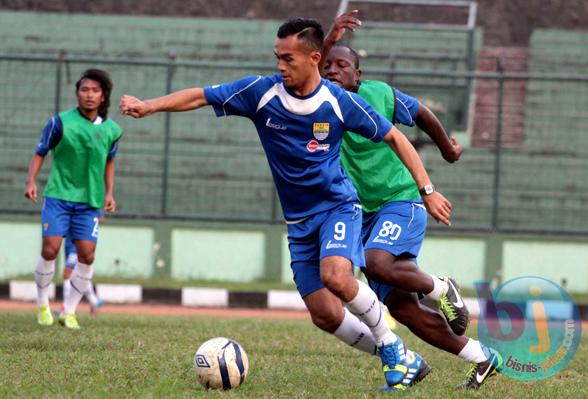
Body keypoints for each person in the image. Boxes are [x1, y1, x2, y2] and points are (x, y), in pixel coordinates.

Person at [120, 18, 453, 391]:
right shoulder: (260, 93)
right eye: (277, 57)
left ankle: (392, 351)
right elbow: (200, 95)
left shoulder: (337, 101)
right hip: (299, 223)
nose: (280, 66)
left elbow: (395, 136)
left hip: (339, 207)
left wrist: (427, 189)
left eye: (288, 59)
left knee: (336, 276)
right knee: (325, 315)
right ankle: (406, 359)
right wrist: (149, 106)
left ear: (313, 58)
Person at [319, 10, 502, 390]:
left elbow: (421, 113)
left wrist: (448, 149)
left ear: (358, 76)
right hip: (363, 214)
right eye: (328, 65)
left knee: (375, 262)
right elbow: (303, 71)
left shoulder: (379, 95)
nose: (334, 70)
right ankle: (481, 356)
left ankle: (440, 287)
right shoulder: (318, 105)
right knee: (402, 308)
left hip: (401, 201)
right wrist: (327, 40)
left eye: (343, 65)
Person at [25, 68, 122, 330]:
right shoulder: (59, 122)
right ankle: (43, 304)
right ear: (77, 93)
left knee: (87, 256)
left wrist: (109, 193)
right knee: (50, 249)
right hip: (58, 195)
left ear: (103, 96)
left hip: (89, 202)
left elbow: (109, 161)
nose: (89, 95)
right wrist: (31, 180)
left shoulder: (112, 130)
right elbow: (40, 151)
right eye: (84, 89)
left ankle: (69, 311)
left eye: (95, 90)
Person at [62, 230, 104, 314]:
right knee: (79, 273)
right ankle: (94, 301)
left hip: (77, 244)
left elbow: (100, 218)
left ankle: (65, 307)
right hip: (69, 244)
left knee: (68, 273)